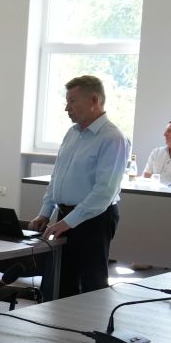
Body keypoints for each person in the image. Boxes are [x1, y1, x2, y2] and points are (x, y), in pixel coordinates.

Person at [28, 74, 130, 299]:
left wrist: (68, 222)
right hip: (65, 217)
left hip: (94, 219)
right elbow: (57, 177)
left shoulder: (113, 138)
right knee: (60, 282)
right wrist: (45, 212)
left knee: (90, 285)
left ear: (94, 100)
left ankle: (93, 322)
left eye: (72, 101)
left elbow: (104, 192)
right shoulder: (72, 133)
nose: (67, 108)